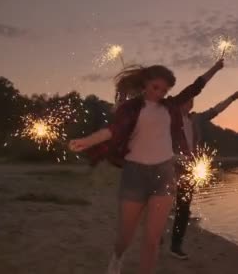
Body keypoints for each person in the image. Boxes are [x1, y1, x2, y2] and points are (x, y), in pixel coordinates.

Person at [69, 60, 223, 274]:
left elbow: (195, 87)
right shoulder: (130, 109)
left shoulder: (169, 106)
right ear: (144, 84)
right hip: (135, 175)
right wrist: (89, 140)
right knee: (126, 235)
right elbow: (113, 130)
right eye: (155, 87)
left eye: (165, 90)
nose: (160, 93)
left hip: (164, 174)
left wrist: (215, 68)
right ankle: (118, 256)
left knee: (152, 240)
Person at [170, 90, 238, 260]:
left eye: (189, 102)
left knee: (183, 208)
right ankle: (156, 234)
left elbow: (215, 110)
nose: (186, 106)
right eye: (183, 102)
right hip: (169, 167)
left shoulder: (196, 119)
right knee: (163, 204)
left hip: (189, 169)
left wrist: (231, 98)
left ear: (191, 105)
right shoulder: (169, 120)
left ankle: (175, 246)